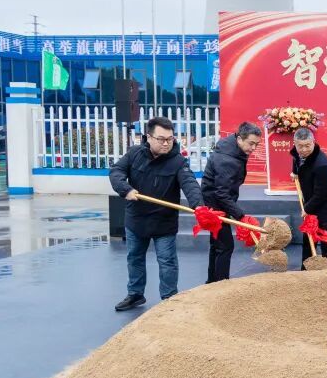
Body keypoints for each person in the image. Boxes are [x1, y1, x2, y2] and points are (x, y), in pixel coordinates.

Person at [109, 116, 203, 311]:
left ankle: (169, 299)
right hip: (136, 219)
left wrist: (199, 206)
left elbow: (190, 184)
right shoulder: (134, 154)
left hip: (163, 222)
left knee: (167, 262)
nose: (166, 143)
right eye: (161, 139)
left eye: (170, 139)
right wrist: (126, 189)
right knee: (134, 258)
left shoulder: (178, 162)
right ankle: (135, 294)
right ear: (149, 137)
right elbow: (116, 172)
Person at [200, 122, 262, 283]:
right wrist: (241, 216)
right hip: (215, 207)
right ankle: (220, 285)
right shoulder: (227, 160)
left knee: (217, 245)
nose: (253, 148)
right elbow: (222, 193)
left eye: (256, 144)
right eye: (251, 143)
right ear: (239, 139)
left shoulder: (232, 149)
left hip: (216, 203)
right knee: (225, 246)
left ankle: (211, 282)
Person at [291, 128, 327, 267]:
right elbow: (296, 159)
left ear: (313, 142)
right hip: (312, 201)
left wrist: (307, 209)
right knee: (308, 239)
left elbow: (321, 194)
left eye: (308, 145)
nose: (304, 150)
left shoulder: (322, 165)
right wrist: (295, 172)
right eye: (300, 146)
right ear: (295, 144)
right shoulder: (297, 152)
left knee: (326, 241)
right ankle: (306, 271)